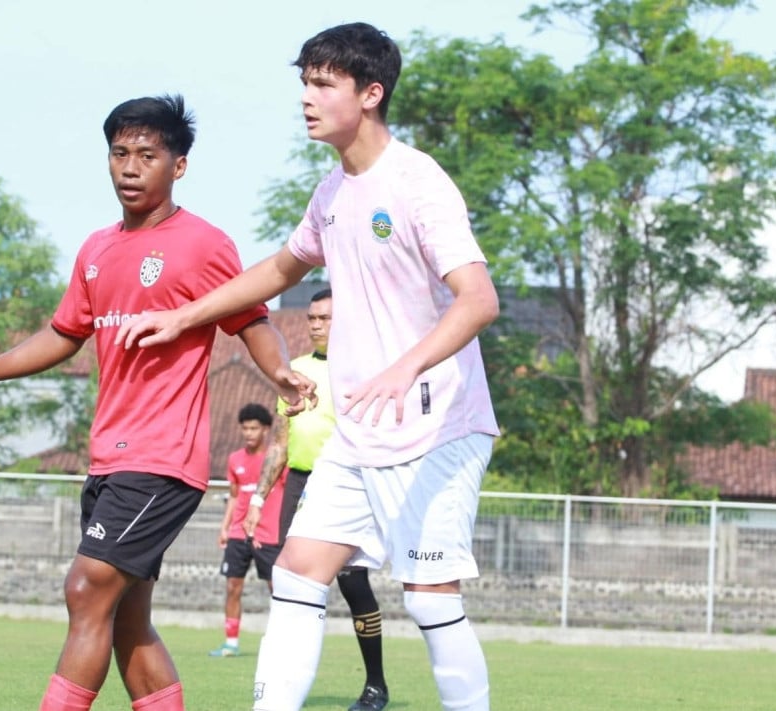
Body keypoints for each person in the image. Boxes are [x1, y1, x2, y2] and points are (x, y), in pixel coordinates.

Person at [117, 23, 499, 711]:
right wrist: (184, 316)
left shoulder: (417, 183)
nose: (306, 97)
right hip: (360, 432)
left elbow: (479, 300)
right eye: (304, 82)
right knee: (294, 572)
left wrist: (402, 367)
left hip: (438, 424)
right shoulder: (331, 193)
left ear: (371, 93)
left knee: (429, 594)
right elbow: (278, 268)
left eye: (323, 83)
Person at [0, 94, 312, 711]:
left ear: (179, 165)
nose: (129, 167)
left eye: (147, 154)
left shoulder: (203, 244)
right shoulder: (95, 250)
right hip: (109, 459)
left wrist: (280, 373)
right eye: (119, 153)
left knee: (86, 589)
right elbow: (64, 334)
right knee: (126, 619)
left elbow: (252, 320)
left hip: (164, 460)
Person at [243, 288, 389, 711]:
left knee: (354, 583)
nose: (316, 325)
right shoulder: (295, 371)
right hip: (300, 483)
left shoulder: (363, 370)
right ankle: (282, 687)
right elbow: (281, 443)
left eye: (325, 318)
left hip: (350, 483)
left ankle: (375, 684)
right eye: (311, 318)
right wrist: (256, 499)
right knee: (289, 581)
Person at [211, 402, 286, 658]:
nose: (249, 434)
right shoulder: (234, 459)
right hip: (238, 534)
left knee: (277, 589)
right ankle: (231, 642)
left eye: (254, 428)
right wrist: (225, 527)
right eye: (245, 429)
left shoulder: (277, 460)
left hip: (268, 534)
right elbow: (233, 497)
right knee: (233, 586)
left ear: (266, 430)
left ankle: (282, 641)